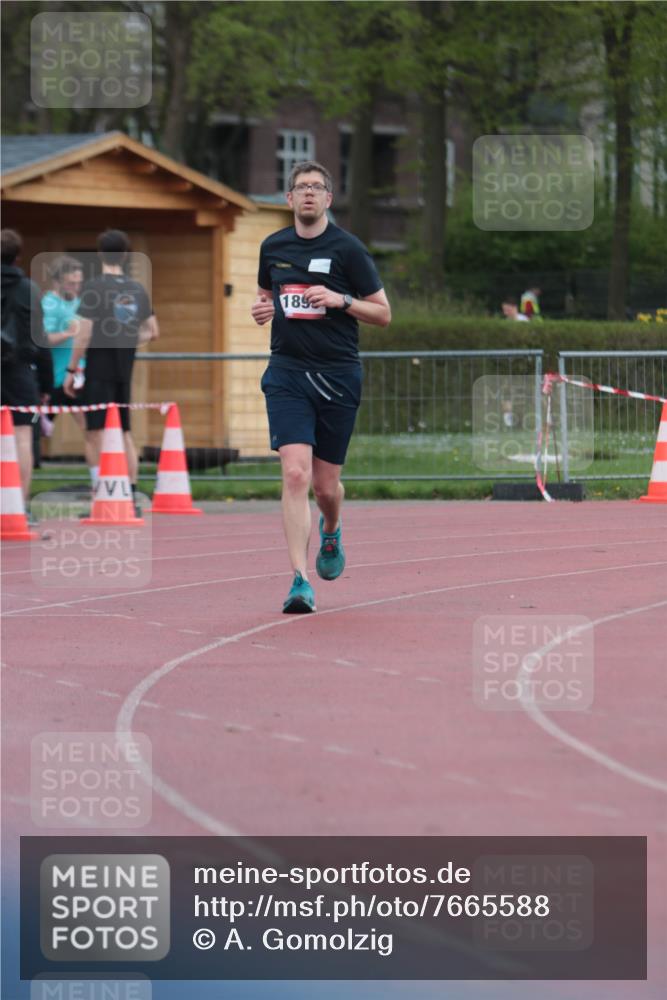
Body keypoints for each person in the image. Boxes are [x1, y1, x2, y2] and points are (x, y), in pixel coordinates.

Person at [251, 160, 391, 614]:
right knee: (295, 473)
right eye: (300, 187)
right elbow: (268, 295)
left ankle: (331, 529)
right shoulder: (273, 246)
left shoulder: (349, 250)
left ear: (328, 199)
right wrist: (262, 309)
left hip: (337, 375)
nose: (308, 193)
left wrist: (341, 300)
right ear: (288, 199)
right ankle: (299, 580)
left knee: (326, 487)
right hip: (288, 372)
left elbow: (384, 313)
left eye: (317, 187)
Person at [63, 230, 158, 514]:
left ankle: (102, 494)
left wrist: (70, 369)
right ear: (126, 255)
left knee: (95, 431)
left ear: (100, 254)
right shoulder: (136, 289)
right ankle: (129, 493)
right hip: (123, 369)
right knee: (124, 430)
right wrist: (126, 340)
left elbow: (83, 334)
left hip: (99, 368)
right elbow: (152, 331)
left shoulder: (94, 288)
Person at [1, 228, 53, 503]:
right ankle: (17, 507)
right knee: (22, 436)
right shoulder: (29, 290)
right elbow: (40, 339)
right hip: (19, 372)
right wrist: (46, 384)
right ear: (18, 258)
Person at [41, 255, 93, 475]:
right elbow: (44, 339)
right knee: (33, 430)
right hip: (52, 379)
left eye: (79, 282)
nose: (76, 287)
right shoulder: (49, 304)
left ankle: (99, 483)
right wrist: (68, 333)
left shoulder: (80, 303)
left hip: (76, 377)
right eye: (71, 283)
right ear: (58, 281)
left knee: (91, 429)